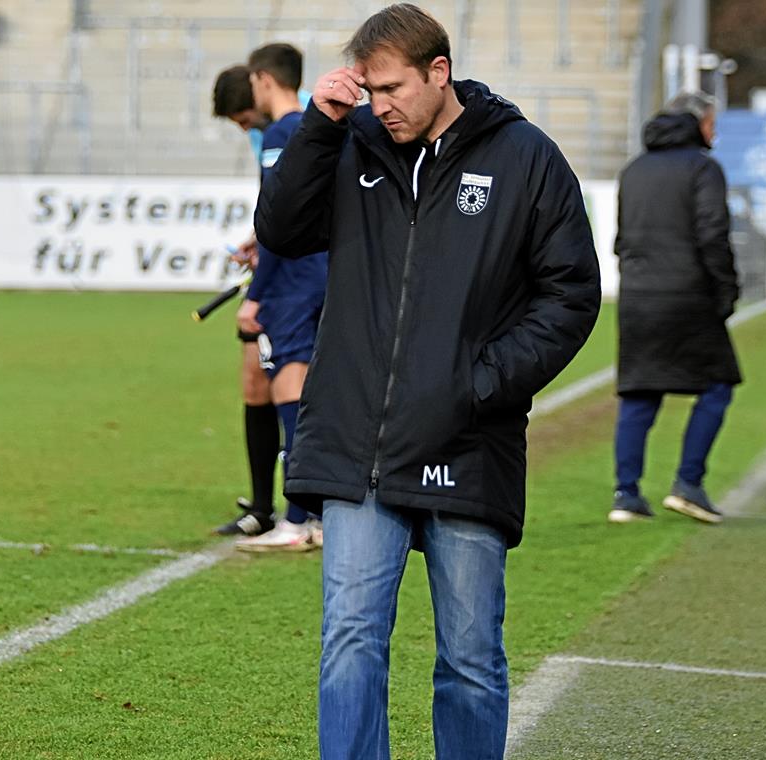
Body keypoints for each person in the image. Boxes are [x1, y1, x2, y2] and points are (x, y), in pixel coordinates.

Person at [254, 5, 599, 757]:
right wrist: (320, 124)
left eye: (393, 88)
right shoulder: (351, 146)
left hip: (469, 440)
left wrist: (479, 383)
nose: (381, 105)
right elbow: (282, 230)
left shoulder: (524, 157)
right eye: (370, 89)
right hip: (360, 444)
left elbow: (571, 293)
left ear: (438, 72)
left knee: (470, 658)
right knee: (349, 642)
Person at [608, 92, 741, 525]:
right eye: (712, 123)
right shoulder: (703, 168)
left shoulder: (634, 170)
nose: (715, 132)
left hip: (637, 297)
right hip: (688, 295)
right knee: (719, 383)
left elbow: (621, 238)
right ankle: (688, 483)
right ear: (698, 122)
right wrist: (726, 291)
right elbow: (712, 234)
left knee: (638, 393)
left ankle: (626, 494)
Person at [234, 42, 329, 553]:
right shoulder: (322, 126)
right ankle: (314, 516)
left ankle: (297, 521)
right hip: (324, 274)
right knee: (311, 394)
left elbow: (278, 221)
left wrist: (257, 295)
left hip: (291, 281)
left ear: (264, 80)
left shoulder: (280, 133)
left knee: (289, 392)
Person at [210, 64, 279, 537]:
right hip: (278, 263)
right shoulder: (267, 136)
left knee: (297, 385)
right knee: (255, 379)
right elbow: (279, 202)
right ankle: (262, 506)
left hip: (303, 275)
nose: (242, 127)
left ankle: (307, 509)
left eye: (242, 117)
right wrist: (260, 237)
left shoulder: (303, 127)